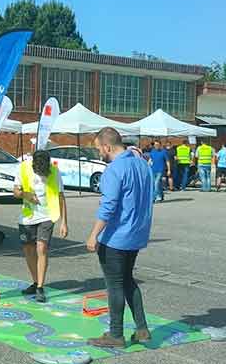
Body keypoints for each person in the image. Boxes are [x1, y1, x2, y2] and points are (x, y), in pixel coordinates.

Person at [86, 127, 153, 348]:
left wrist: (94, 234)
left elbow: (109, 206)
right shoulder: (142, 164)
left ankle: (116, 334)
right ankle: (142, 329)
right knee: (127, 280)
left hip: (116, 236)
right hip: (136, 234)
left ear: (107, 146)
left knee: (114, 284)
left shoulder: (115, 169)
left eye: (98, 148)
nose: (99, 153)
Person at [13, 150, 68, 303]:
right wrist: (26, 195)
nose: (43, 175)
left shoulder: (54, 171)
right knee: (28, 250)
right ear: (34, 165)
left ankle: (40, 287)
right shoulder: (23, 168)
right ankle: (35, 281)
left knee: (41, 249)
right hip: (28, 217)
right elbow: (15, 191)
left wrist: (64, 222)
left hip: (48, 215)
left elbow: (61, 196)